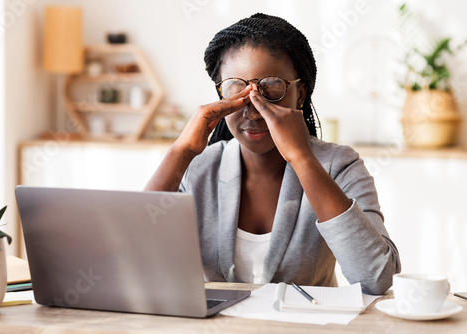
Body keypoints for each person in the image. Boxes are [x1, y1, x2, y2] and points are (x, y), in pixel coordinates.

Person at [145, 13, 400, 295]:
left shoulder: (339, 165)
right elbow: (134, 258)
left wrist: (302, 159)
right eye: (236, 89)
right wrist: (181, 153)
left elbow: (376, 279)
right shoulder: (199, 167)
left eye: (272, 88)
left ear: (300, 95)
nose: (253, 111)